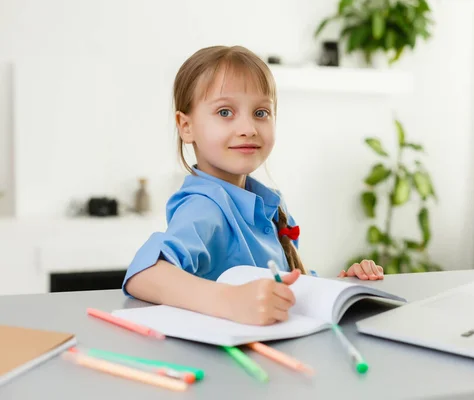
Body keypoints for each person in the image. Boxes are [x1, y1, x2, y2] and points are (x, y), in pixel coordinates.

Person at [123, 45, 384, 326]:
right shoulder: (205, 206)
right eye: (225, 112)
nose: (248, 127)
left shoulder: (269, 204)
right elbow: (143, 274)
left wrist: (338, 290)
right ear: (186, 126)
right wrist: (230, 300)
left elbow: (282, 290)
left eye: (260, 113)